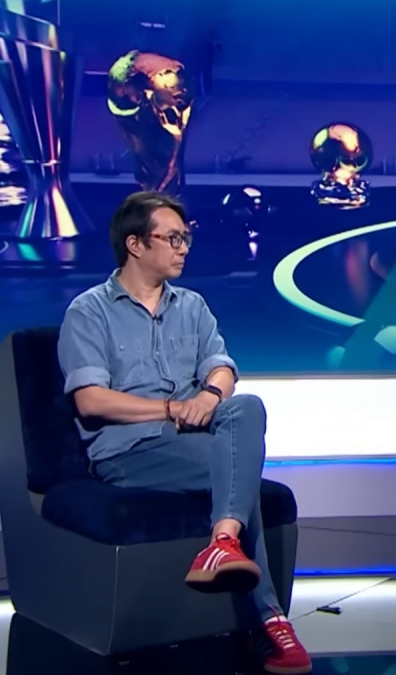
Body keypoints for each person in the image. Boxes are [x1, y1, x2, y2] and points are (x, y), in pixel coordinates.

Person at [57, 191, 311, 675]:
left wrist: (210, 396)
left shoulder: (192, 306)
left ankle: (222, 543)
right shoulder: (89, 312)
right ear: (135, 244)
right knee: (238, 476)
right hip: (128, 451)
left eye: (185, 238)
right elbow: (90, 400)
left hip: (194, 437)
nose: (183, 248)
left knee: (246, 407)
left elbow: (221, 367)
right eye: (172, 238)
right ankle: (270, 621)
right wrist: (171, 408)